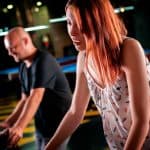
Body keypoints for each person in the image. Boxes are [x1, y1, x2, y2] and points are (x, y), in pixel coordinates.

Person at [44, 0, 150, 150]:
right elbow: (75, 112)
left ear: (97, 22)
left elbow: (141, 121)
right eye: (69, 22)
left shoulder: (128, 49)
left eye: (80, 24)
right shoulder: (84, 57)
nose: (72, 32)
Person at [0, 26, 72, 150]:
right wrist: (8, 122)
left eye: (13, 48)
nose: (9, 53)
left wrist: (19, 127)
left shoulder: (43, 60)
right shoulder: (23, 67)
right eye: (8, 49)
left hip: (60, 127)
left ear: (26, 41)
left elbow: (36, 96)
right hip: (42, 127)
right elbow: (24, 100)